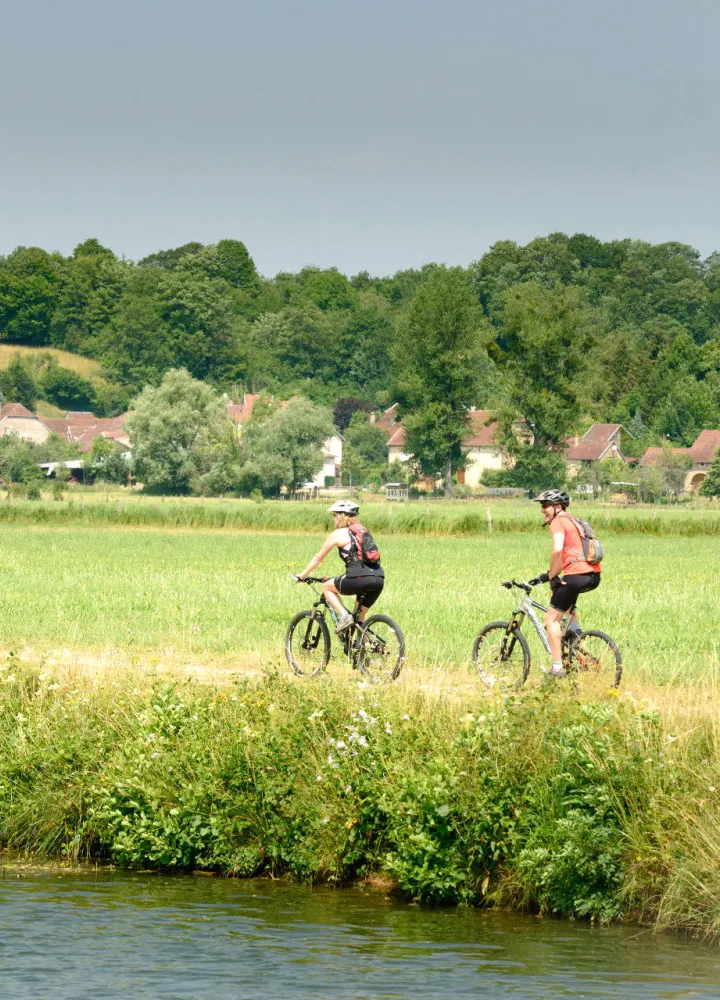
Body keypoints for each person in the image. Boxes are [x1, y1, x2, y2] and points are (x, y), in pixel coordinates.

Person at [532, 489, 601, 677]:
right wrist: (551, 576)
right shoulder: (574, 521)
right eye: (541, 506)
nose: (543, 510)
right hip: (593, 575)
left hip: (576, 575)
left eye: (546, 505)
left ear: (558, 507)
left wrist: (552, 574)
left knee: (550, 619)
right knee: (567, 607)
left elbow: (557, 550)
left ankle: (556, 667)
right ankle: (575, 639)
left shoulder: (558, 522)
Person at [294, 499, 385, 633]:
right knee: (358, 620)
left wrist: (303, 575)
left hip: (359, 577)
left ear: (341, 516)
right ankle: (365, 646)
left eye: (334, 515)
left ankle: (344, 616)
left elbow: (318, 557)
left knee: (326, 587)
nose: (333, 519)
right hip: (378, 578)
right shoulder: (363, 531)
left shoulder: (338, 534)